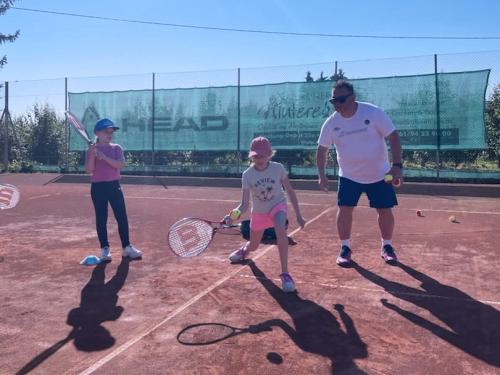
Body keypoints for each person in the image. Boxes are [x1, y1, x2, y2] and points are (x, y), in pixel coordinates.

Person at [316, 80, 403, 267]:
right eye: (334, 101)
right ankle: (345, 248)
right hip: (348, 176)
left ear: (353, 97)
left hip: (381, 174)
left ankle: (387, 247)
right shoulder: (331, 123)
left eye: (341, 99)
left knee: (385, 209)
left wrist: (397, 166)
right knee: (345, 210)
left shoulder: (373, 113)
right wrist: (322, 175)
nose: (337, 104)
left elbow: (393, 136)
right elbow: (321, 150)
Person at [225, 136, 306, 292]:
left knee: (280, 231)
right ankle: (244, 250)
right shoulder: (247, 175)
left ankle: (285, 274)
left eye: (262, 155)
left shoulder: (278, 168)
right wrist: (233, 215)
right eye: (256, 156)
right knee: (254, 245)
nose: (259, 159)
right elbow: (244, 204)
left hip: (277, 206)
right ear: (251, 156)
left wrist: (299, 215)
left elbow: (289, 190)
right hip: (259, 212)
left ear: (269, 154)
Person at [85, 118, 142, 261]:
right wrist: (92, 154)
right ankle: (105, 249)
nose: (110, 134)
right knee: (101, 218)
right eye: (106, 131)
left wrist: (103, 157)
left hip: (114, 186)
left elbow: (119, 165)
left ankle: (126, 247)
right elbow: (89, 170)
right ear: (97, 133)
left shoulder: (117, 148)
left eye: (111, 131)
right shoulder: (91, 150)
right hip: (98, 187)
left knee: (121, 217)